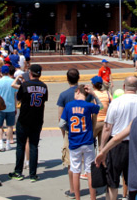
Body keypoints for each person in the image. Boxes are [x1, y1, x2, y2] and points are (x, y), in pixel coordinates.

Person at [101, 76, 137, 200]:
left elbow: (107, 128)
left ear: (124, 87)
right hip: (136, 146)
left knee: (112, 180)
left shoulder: (116, 103)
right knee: (134, 181)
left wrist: (103, 149)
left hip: (116, 145)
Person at [60, 84, 102, 200]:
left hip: (74, 142)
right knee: (90, 171)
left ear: (78, 91)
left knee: (75, 171)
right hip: (88, 141)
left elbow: (61, 124)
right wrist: (93, 94)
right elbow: (100, 106)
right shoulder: (89, 106)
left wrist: (70, 130)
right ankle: (92, 197)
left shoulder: (69, 106)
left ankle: (77, 197)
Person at [9, 64, 47, 181]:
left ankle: (18, 171)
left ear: (30, 73)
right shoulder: (44, 86)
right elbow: (44, 99)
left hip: (24, 119)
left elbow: (19, 98)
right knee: (34, 146)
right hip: (37, 119)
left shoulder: (25, 85)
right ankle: (33, 174)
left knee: (20, 145)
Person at [58, 68, 82, 197]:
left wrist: (64, 133)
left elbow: (60, 117)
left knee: (71, 163)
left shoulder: (63, 95)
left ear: (67, 79)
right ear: (79, 78)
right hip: (84, 130)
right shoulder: (85, 94)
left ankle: (73, 190)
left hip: (70, 131)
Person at [0, 65, 17, 152]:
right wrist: (15, 107)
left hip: (0, 107)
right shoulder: (12, 81)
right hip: (10, 106)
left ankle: (0, 142)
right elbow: (15, 96)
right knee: (10, 126)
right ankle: (8, 142)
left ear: (1, 72)